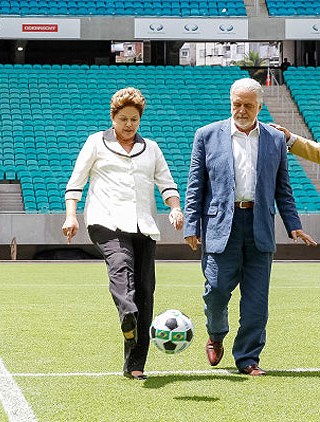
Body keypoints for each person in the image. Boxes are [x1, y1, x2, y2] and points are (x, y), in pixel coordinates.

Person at [183, 78, 317, 377]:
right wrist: (192, 226)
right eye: (236, 104)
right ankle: (216, 334)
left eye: (247, 105)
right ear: (230, 103)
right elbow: (195, 186)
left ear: (259, 105)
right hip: (220, 226)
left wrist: (293, 224)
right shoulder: (206, 136)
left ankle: (248, 358)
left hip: (259, 226)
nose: (241, 110)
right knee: (215, 291)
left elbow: (283, 188)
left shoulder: (275, 138)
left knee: (257, 301)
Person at [62, 87, 184, 381]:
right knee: (120, 263)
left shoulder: (151, 149)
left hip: (143, 225)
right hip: (105, 221)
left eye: (134, 120)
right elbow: (76, 181)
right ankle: (126, 313)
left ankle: (135, 363)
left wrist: (175, 208)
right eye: (123, 119)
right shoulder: (95, 143)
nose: (129, 125)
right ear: (113, 118)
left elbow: (167, 183)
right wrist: (71, 216)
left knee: (145, 292)